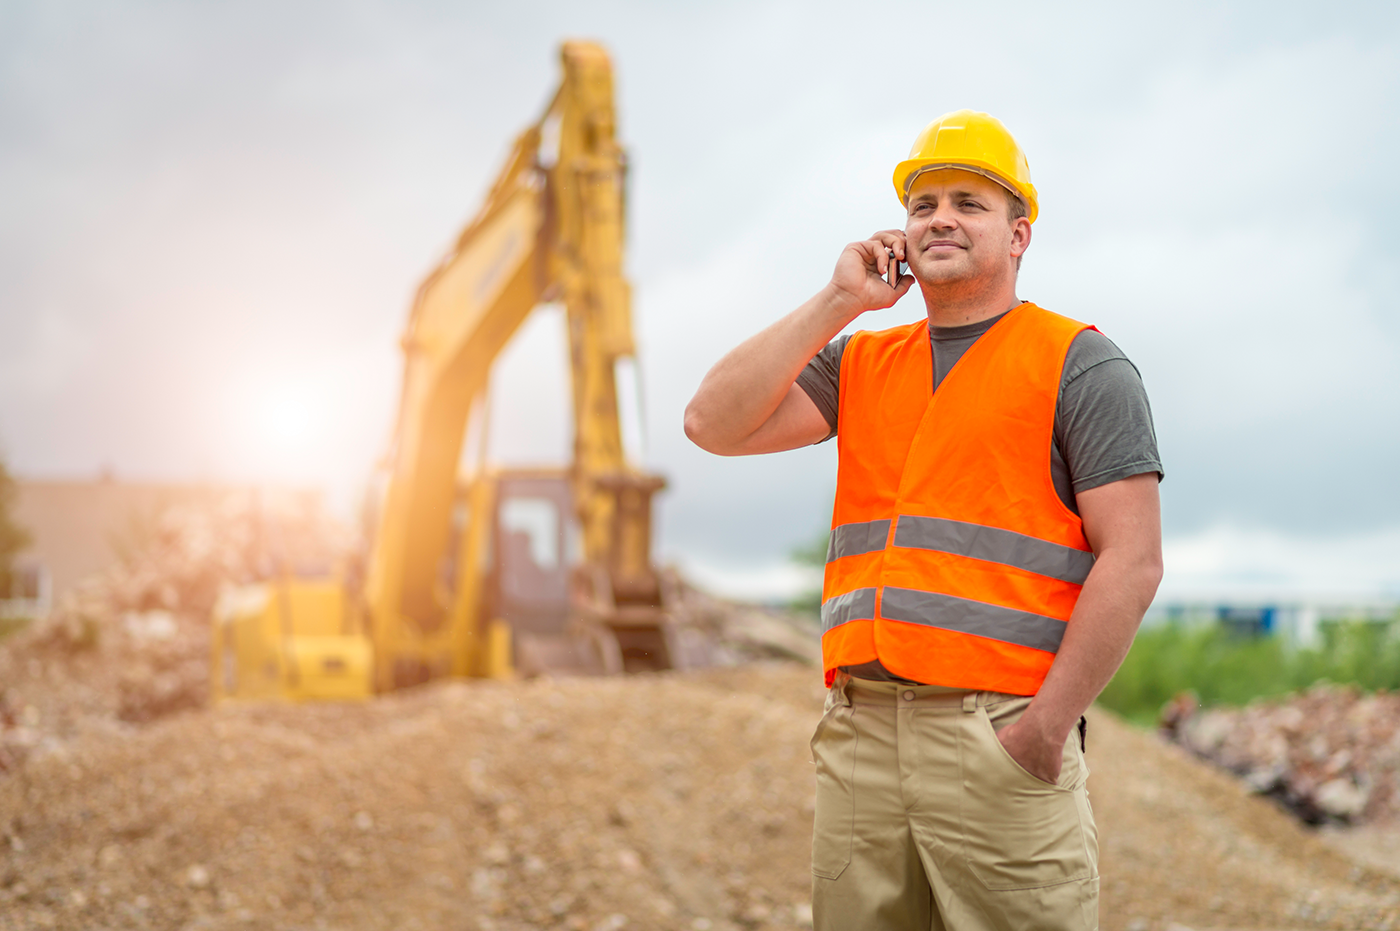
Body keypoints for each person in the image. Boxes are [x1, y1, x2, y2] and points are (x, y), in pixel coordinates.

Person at [683, 110, 1164, 931]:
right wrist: (840, 300)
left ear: (1019, 235)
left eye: (970, 202)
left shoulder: (1079, 363)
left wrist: (1045, 728)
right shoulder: (862, 361)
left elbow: (1135, 559)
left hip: (999, 735)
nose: (941, 215)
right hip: (863, 737)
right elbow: (711, 424)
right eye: (924, 202)